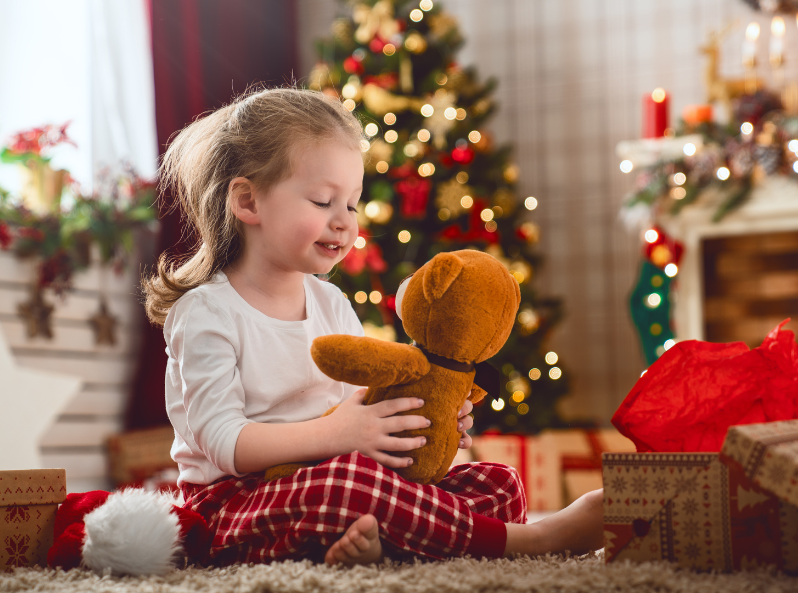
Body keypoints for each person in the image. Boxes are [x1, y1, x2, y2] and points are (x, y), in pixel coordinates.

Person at [142, 87, 604, 567]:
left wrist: (423, 419)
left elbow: (362, 408)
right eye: (323, 201)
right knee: (352, 487)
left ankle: (374, 542)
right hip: (231, 506)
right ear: (248, 201)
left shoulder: (331, 302)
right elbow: (221, 442)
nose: (344, 223)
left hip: (329, 477)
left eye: (353, 204)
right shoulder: (207, 312)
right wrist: (336, 436)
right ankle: (528, 541)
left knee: (496, 484)